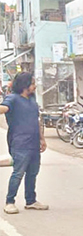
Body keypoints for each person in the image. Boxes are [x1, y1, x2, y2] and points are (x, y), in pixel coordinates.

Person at [0, 72, 49, 214]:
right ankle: (10, 202)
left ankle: (31, 200)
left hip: (34, 142)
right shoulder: (12, 99)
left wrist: (42, 139)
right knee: (18, 172)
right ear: (24, 85)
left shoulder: (32, 100)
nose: (34, 86)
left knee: (33, 172)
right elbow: (4, 108)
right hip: (20, 142)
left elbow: (37, 120)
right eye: (32, 83)